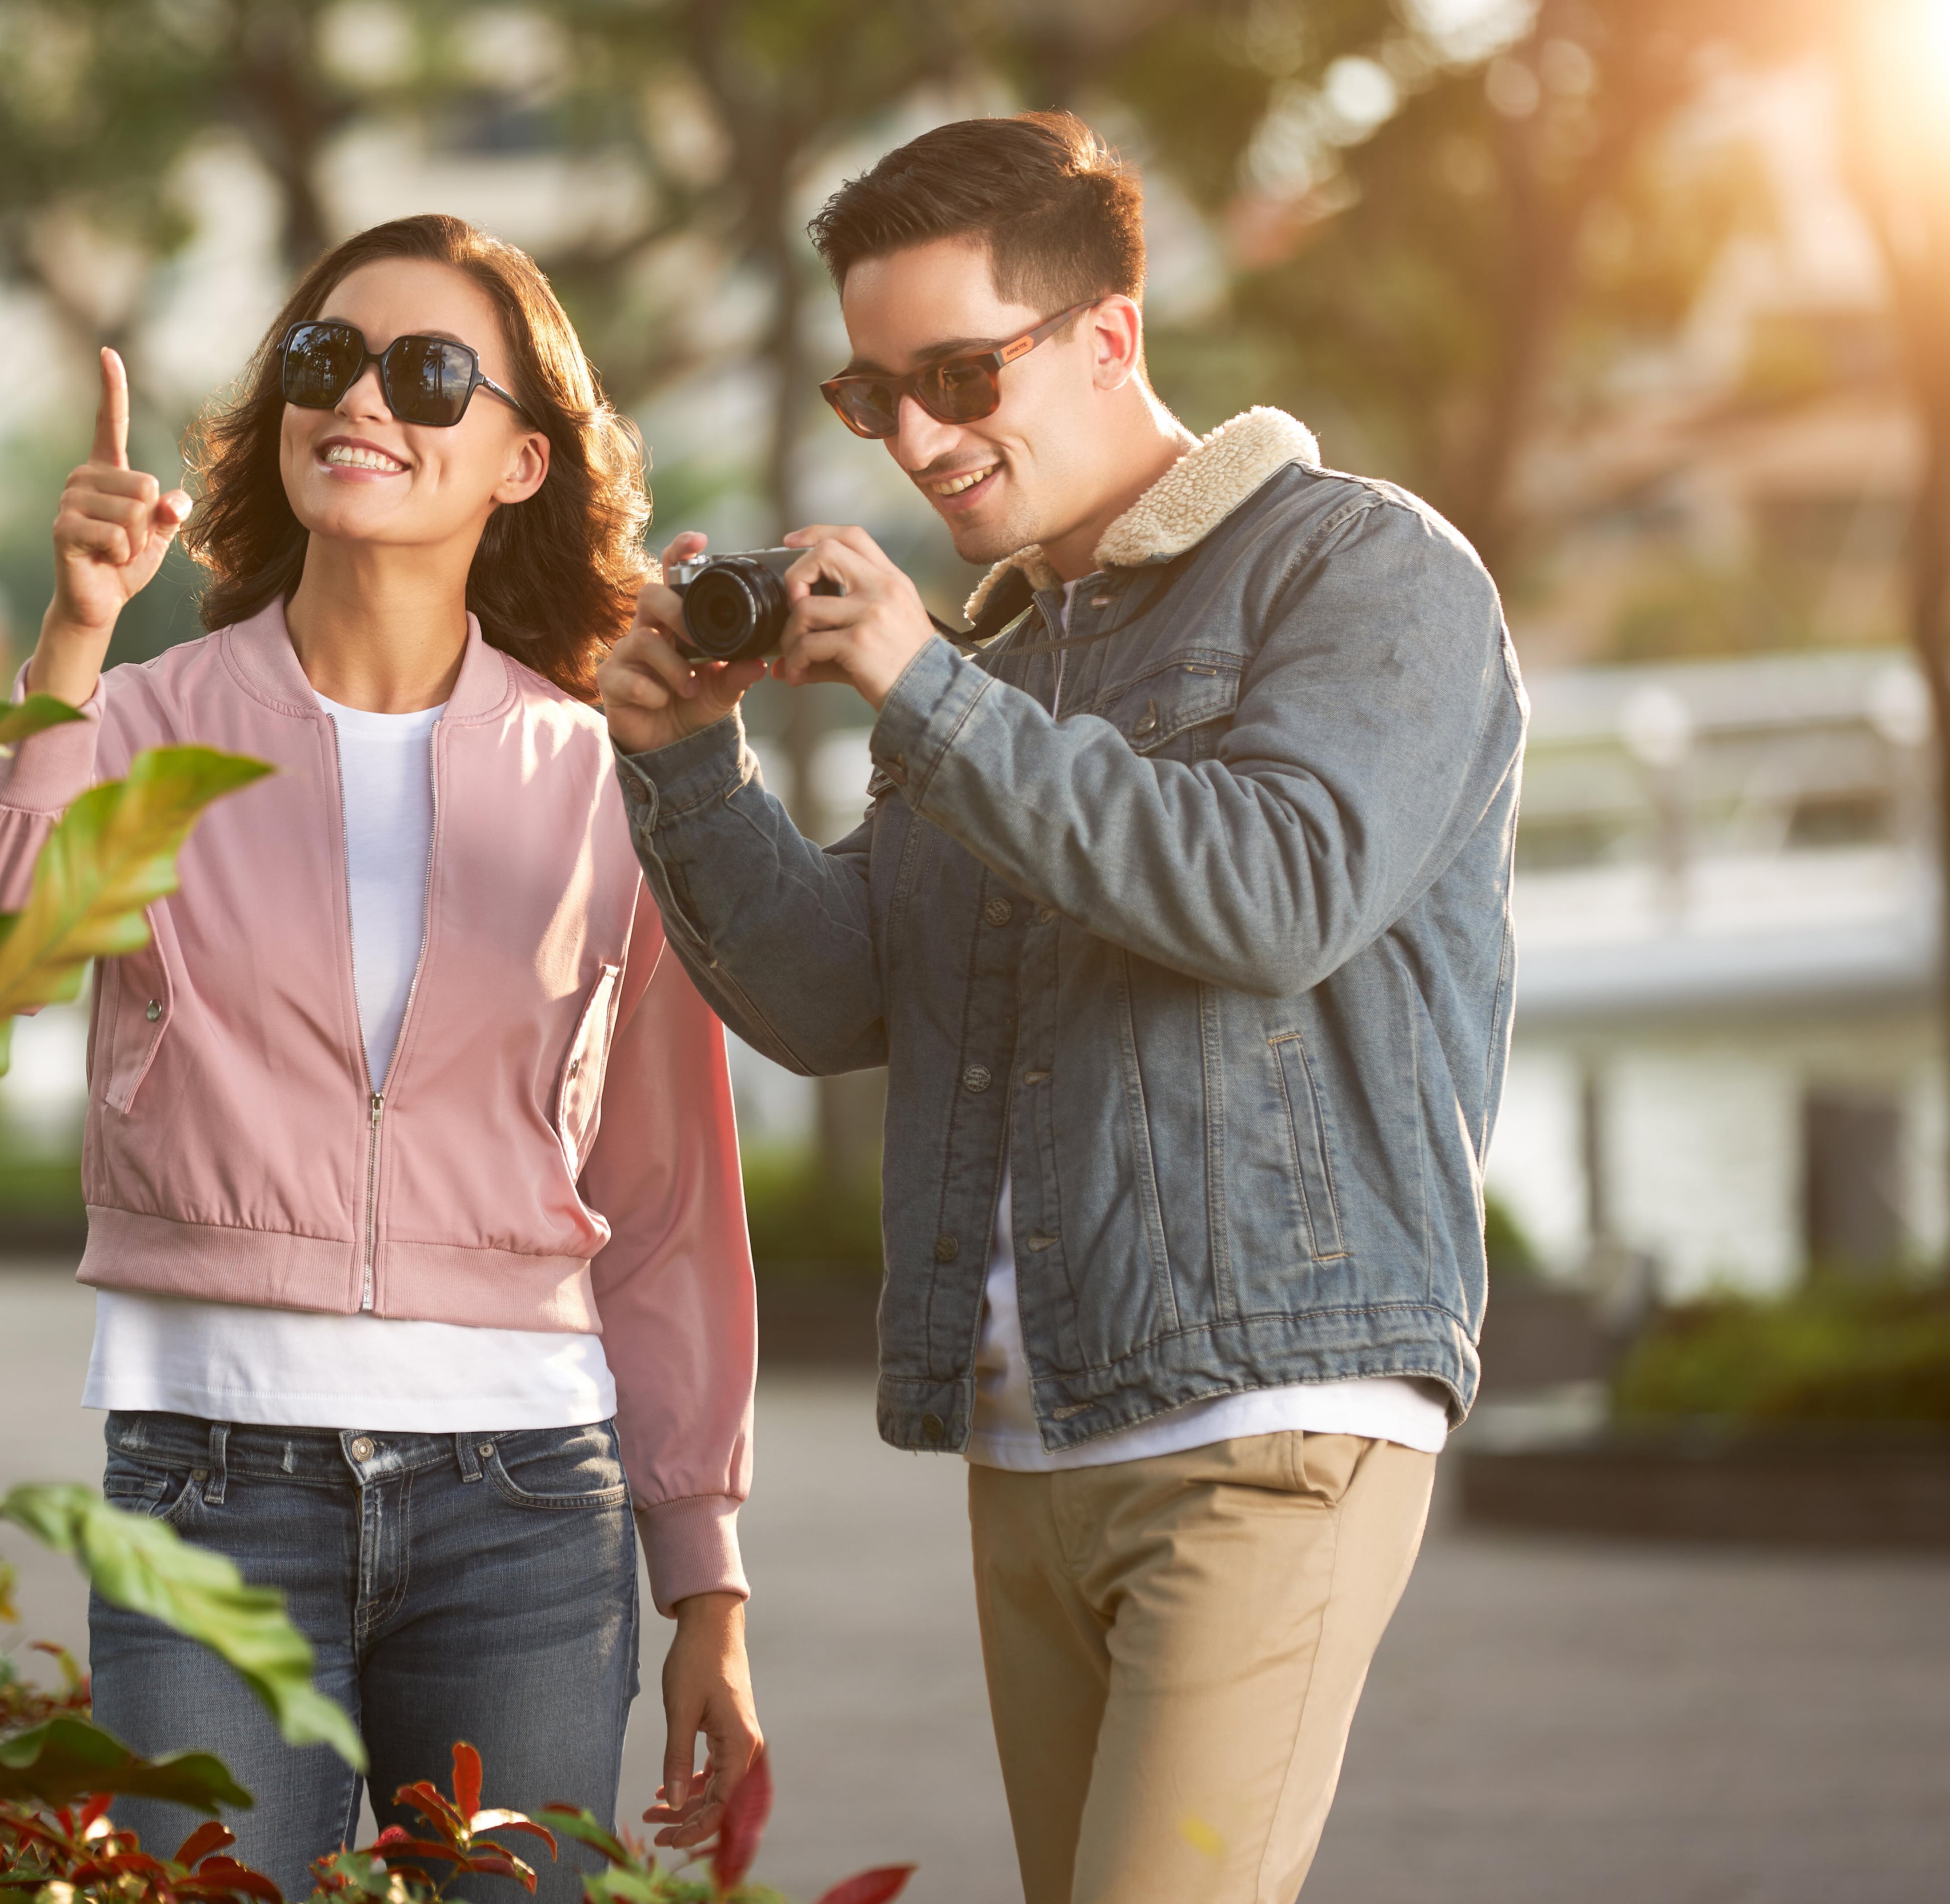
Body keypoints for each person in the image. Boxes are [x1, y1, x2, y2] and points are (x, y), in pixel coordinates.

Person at [597, 113, 1524, 1904]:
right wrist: (687, 767)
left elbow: (1281, 890)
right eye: (875, 397)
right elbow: (840, 995)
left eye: (959, 373)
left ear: (1108, 336)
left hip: (1268, 1416)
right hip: (1029, 1439)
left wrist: (925, 689)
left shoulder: (1365, 569)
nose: (921, 438)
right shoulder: (1002, 664)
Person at [0, 214, 761, 1898]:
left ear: (523, 458)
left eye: (429, 372)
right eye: (324, 359)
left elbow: (665, 1200)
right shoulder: (138, 719)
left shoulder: (601, 772)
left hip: (525, 1505)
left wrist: (709, 1588)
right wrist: (72, 642)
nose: (362, 397)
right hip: (207, 1483)